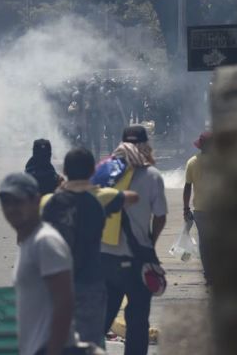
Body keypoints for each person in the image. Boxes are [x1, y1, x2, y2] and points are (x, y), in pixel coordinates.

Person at [42, 148, 138, 348]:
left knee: (55, 340)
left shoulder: (48, 202)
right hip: (90, 283)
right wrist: (105, 175)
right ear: (91, 171)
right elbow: (132, 197)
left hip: (55, 284)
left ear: (65, 170)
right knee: (91, 342)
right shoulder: (101, 197)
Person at [0, 172, 77, 355]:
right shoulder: (29, 241)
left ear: (36, 201)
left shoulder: (45, 242)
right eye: (6, 202)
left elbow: (64, 304)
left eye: (18, 201)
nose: (11, 209)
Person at [101, 125, 167, 355]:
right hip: (137, 259)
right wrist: (150, 241)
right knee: (138, 320)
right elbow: (160, 216)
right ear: (145, 145)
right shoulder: (152, 176)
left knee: (100, 319)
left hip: (104, 258)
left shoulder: (105, 172)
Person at [183, 131, 212, 284]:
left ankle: (208, 272)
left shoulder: (192, 162)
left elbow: (187, 188)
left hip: (200, 211)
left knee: (205, 243)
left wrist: (185, 209)